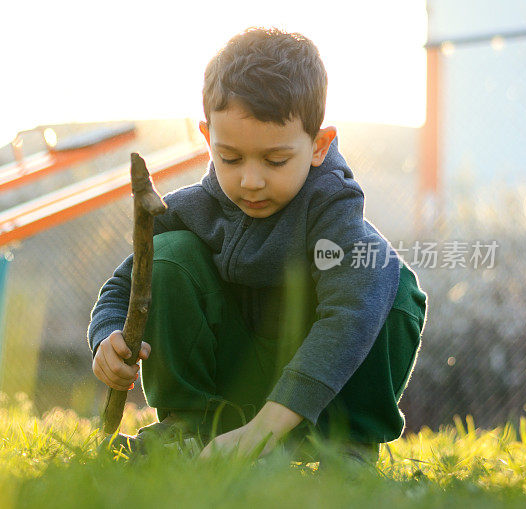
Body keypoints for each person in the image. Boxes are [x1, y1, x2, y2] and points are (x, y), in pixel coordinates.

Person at [87, 26, 427, 465]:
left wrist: (266, 429)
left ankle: (348, 448)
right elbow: (126, 284)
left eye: (275, 160)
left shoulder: (332, 212)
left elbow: (351, 315)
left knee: (385, 281)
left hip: (322, 402)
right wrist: (108, 334)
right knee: (169, 255)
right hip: (235, 392)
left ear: (319, 145)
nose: (250, 180)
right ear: (208, 139)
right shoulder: (195, 209)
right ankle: (191, 428)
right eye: (230, 158)